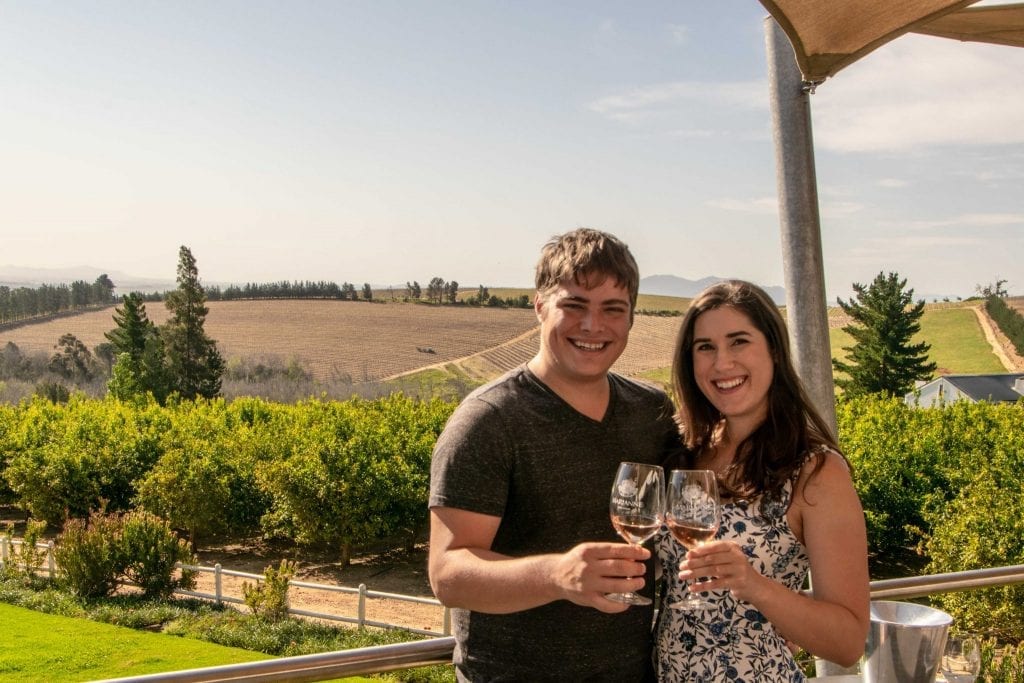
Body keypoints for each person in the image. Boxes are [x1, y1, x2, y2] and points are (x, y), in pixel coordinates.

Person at [428, 228, 680, 682]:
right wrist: (557, 576)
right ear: (540, 305)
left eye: (612, 310)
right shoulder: (488, 420)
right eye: (575, 305)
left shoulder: (653, 413)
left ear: (631, 319)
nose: (593, 326)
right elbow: (448, 575)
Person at [655, 280, 870, 682]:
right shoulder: (684, 454)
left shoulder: (816, 473)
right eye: (705, 347)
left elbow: (848, 642)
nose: (721, 364)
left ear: (773, 349)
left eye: (738, 342)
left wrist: (754, 585)